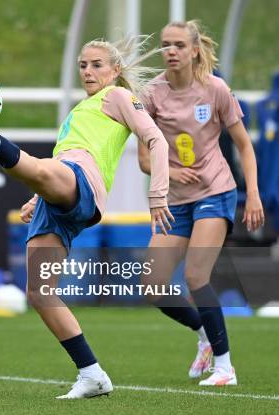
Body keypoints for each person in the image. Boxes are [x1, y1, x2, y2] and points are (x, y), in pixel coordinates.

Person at [0, 36, 172, 399]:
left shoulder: (119, 97)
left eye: (97, 64)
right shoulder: (79, 110)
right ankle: (92, 374)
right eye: (83, 65)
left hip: (83, 185)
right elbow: (56, 164)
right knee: (40, 292)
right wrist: (36, 197)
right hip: (57, 195)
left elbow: (157, 140)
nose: (89, 71)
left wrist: (157, 193)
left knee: (44, 170)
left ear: (115, 70)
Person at [138, 20, 264, 386]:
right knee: (153, 283)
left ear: (195, 50)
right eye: (165, 45)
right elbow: (144, 159)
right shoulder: (151, 94)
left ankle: (225, 368)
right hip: (175, 201)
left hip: (215, 193)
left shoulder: (215, 89)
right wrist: (172, 174)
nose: (170, 51)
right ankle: (205, 334)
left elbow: (244, 144)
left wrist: (251, 193)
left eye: (178, 44)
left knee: (196, 276)